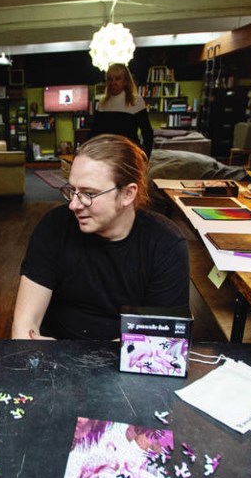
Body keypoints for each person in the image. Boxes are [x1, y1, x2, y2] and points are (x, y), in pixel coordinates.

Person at [11, 134, 189, 340]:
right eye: (72, 190)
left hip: (123, 367)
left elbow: (161, 342)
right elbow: (23, 328)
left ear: (127, 194)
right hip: (54, 361)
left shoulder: (165, 244)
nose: (74, 205)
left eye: (89, 193)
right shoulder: (54, 226)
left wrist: (70, 356)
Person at [89, 63, 155, 157]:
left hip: (129, 155)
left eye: (117, 79)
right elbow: (94, 133)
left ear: (125, 81)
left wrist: (145, 156)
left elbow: (147, 132)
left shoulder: (136, 101)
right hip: (107, 155)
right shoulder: (102, 103)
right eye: (110, 79)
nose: (113, 83)